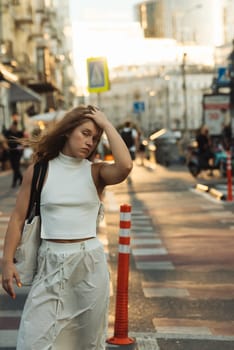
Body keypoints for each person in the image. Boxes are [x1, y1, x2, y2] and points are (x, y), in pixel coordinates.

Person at [1, 105, 133, 350]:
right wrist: (7, 261)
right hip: (50, 263)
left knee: (86, 344)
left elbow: (125, 166)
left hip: (89, 267)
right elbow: (18, 218)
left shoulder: (96, 172)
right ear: (67, 132)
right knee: (33, 341)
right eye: (85, 133)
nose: (89, 142)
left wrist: (105, 123)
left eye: (94, 138)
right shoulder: (39, 171)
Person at [3, 120, 24, 187]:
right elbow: (4, 140)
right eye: (13, 126)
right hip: (11, 152)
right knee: (14, 167)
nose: (14, 127)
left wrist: (21, 147)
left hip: (18, 152)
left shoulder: (19, 133)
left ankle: (14, 182)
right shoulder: (8, 132)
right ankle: (21, 179)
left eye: (15, 126)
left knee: (16, 166)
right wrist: (6, 146)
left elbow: (22, 141)